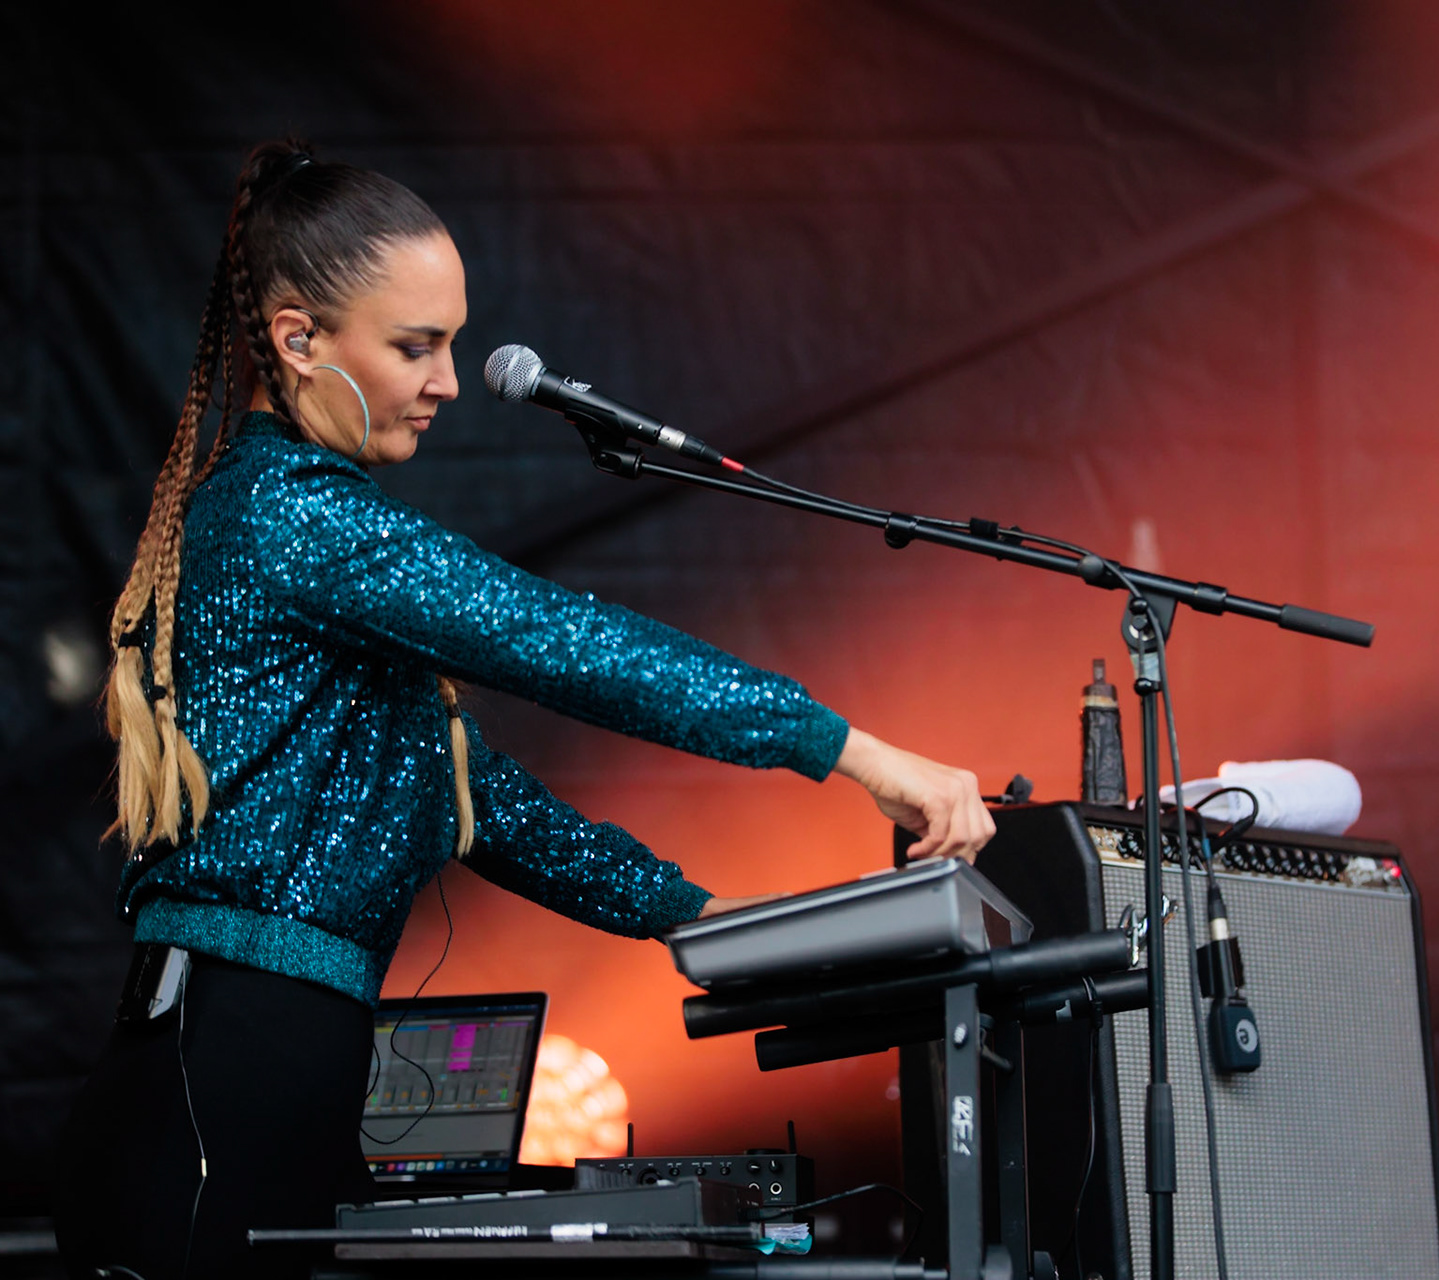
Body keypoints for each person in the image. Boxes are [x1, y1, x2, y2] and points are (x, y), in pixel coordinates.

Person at [52, 138, 995, 1280]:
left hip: (266, 1050)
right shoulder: (295, 518)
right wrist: (861, 755)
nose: (450, 379)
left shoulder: (311, 539)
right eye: (417, 345)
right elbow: (568, 643)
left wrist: (695, 917)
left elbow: (486, 803)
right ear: (300, 341)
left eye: (450, 340)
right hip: (226, 1060)